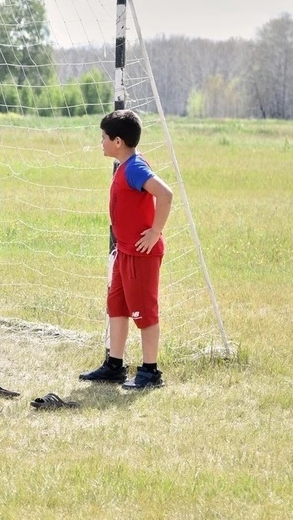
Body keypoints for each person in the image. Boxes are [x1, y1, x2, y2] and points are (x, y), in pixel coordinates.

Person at [79, 109, 173, 389]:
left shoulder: (134, 167)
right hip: (124, 252)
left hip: (141, 254)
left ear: (118, 141)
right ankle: (114, 365)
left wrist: (155, 232)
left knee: (144, 312)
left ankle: (150, 372)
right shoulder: (125, 165)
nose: (101, 142)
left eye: (104, 137)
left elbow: (166, 194)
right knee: (117, 307)